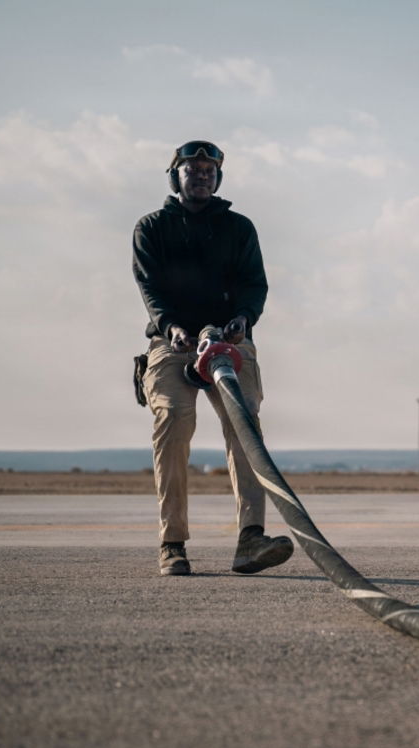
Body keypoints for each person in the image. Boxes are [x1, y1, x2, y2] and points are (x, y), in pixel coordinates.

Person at [132, 140, 294, 576]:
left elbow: (254, 285)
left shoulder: (239, 228)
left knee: (246, 425)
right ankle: (172, 543)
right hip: (173, 342)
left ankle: (251, 539)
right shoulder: (151, 228)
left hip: (228, 340)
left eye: (209, 170)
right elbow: (151, 290)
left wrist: (244, 318)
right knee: (173, 420)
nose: (201, 175)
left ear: (217, 178)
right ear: (175, 176)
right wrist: (173, 328)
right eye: (192, 169)